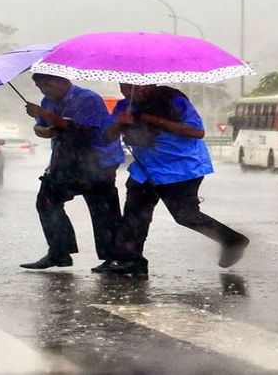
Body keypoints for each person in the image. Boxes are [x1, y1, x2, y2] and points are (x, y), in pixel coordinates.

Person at [100, 83, 250, 276]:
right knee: (134, 215)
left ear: (149, 85)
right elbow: (107, 137)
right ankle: (132, 260)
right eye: (123, 87)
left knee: (185, 215)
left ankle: (232, 240)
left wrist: (154, 120)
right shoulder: (124, 107)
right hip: (145, 169)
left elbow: (197, 132)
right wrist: (119, 124)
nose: (128, 92)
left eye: (134, 88)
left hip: (181, 168)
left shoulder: (175, 101)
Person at [20, 74, 125, 270]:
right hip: (65, 161)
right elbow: (40, 127)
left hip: (97, 161)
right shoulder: (47, 102)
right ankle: (59, 252)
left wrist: (45, 115)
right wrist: (44, 129)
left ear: (64, 81)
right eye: (39, 86)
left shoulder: (88, 98)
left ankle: (114, 257)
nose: (44, 90)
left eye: (48, 84)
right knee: (46, 201)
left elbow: (81, 128)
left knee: (103, 210)